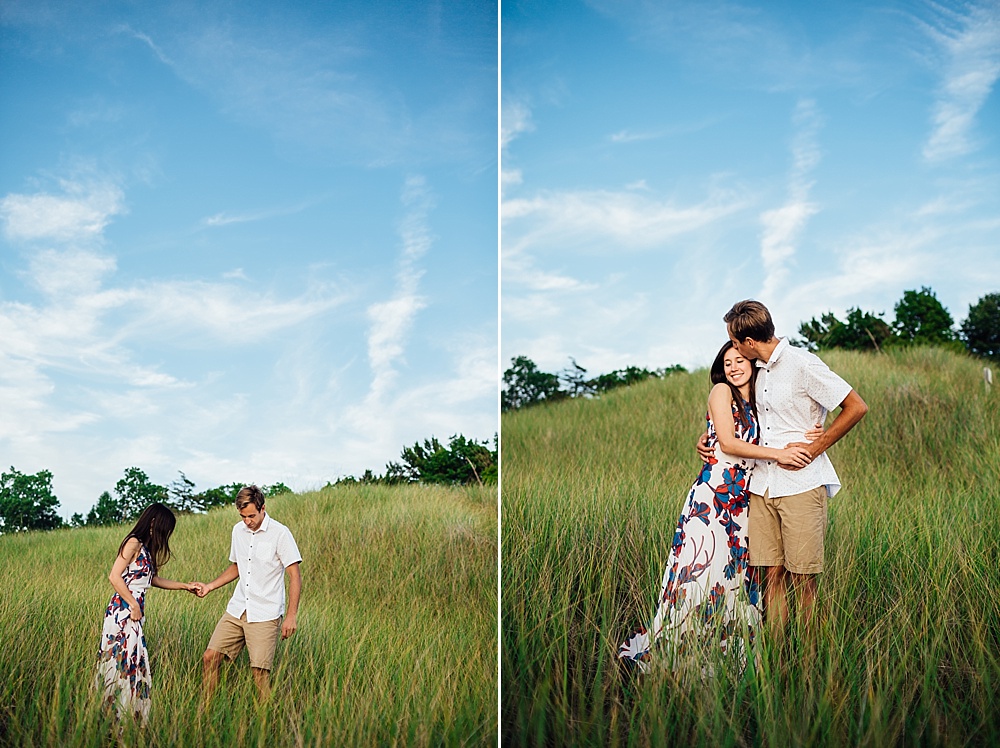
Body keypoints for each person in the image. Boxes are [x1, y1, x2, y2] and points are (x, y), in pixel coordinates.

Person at [619, 341, 821, 674]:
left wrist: (815, 427)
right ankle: (684, 648)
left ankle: (731, 653)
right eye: (727, 362)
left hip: (746, 499)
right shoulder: (720, 391)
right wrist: (778, 455)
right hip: (714, 497)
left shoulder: (760, 402)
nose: (733, 367)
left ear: (753, 363)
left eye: (740, 360)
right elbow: (727, 442)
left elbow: (779, 425)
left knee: (740, 576)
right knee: (705, 570)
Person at [699, 300, 868, 637]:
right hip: (760, 488)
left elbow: (856, 406)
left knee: (803, 582)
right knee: (770, 579)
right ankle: (776, 659)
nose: (732, 349)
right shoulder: (755, 371)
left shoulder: (803, 363)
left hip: (801, 486)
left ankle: (805, 667)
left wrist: (814, 447)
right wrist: (707, 439)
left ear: (748, 342)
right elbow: (736, 418)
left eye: (734, 343)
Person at [194, 485, 302, 701]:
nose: (247, 521)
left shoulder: (280, 533)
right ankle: (203, 715)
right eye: (243, 516)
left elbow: (295, 576)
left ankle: (265, 728)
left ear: (263, 508)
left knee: (259, 675)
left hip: (265, 613)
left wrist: (291, 615)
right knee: (210, 657)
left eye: (251, 515)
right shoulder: (238, 531)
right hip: (237, 608)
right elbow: (237, 567)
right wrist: (209, 586)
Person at [96, 502, 198, 726]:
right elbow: (114, 576)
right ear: (153, 522)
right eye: (164, 528)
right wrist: (133, 605)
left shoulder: (146, 549)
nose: (165, 535)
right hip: (123, 612)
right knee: (121, 665)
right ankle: (113, 720)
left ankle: (125, 720)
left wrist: (184, 586)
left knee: (133, 666)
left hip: (134, 612)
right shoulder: (133, 542)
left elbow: (151, 580)